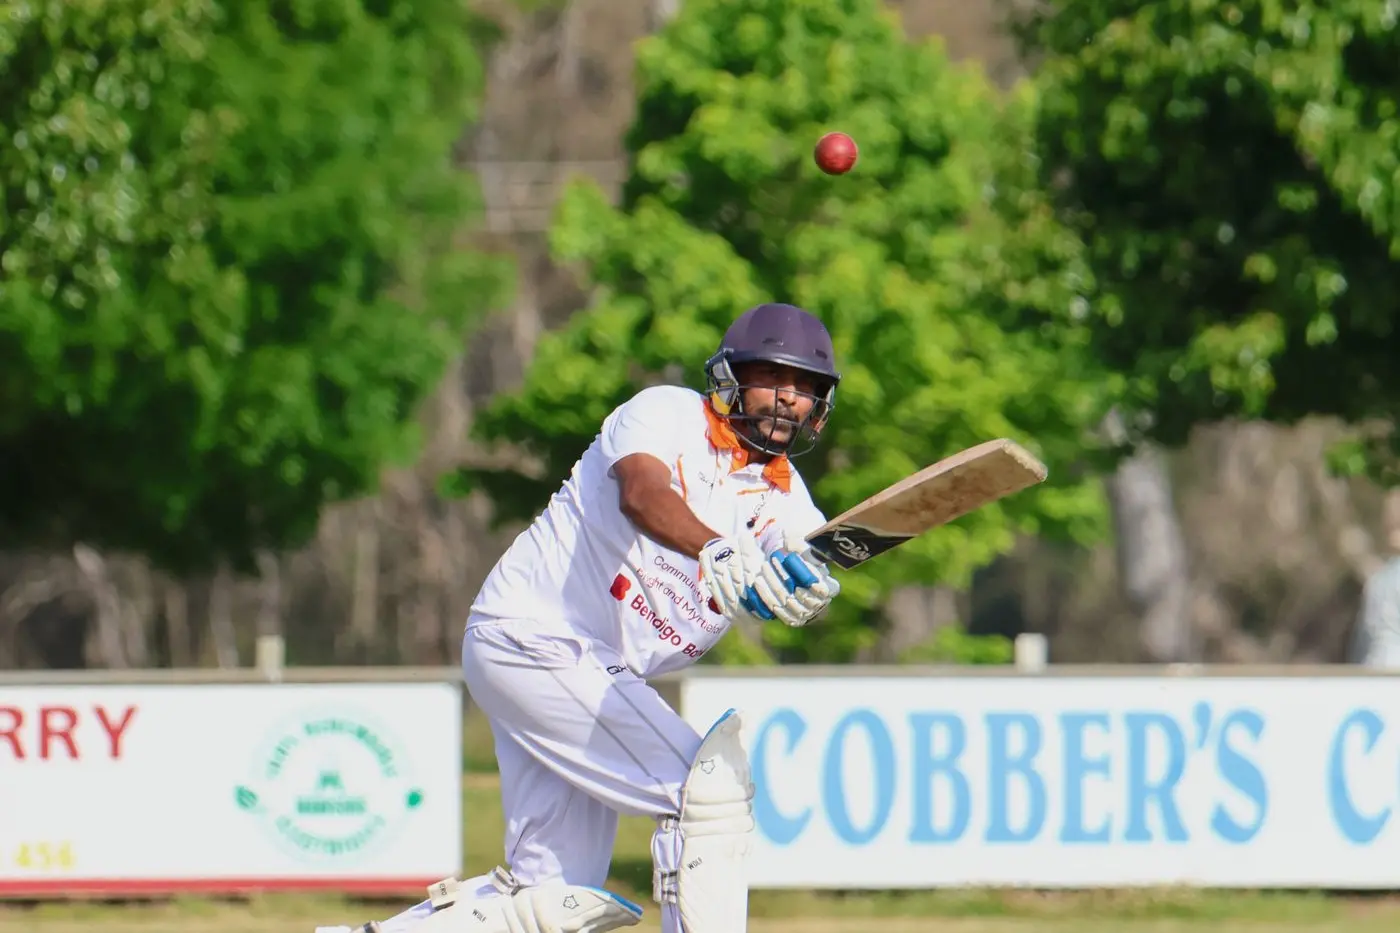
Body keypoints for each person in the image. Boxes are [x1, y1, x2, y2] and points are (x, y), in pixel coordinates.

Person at [317, 303, 844, 933]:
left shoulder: (790, 505)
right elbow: (642, 493)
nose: (790, 399)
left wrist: (802, 593)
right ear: (730, 376)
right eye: (774, 379)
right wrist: (716, 546)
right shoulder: (667, 413)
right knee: (707, 794)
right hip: (535, 636)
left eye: (807, 388)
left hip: (584, 671)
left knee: (548, 899)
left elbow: (803, 564)